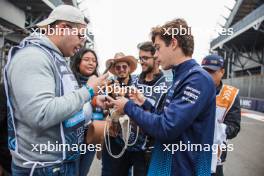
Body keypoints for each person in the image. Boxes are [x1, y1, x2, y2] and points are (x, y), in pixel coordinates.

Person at [4, 5, 108, 176]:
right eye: (80, 35)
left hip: (59, 163)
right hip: (44, 167)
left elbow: (64, 105)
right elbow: (42, 114)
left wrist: (92, 101)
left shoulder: (55, 58)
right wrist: (88, 90)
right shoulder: (33, 57)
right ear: (63, 29)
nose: (82, 42)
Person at [108, 18, 216, 176]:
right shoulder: (181, 75)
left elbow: (166, 128)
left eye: (157, 48)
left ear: (173, 43)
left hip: (182, 168)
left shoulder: (197, 79)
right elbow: (165, 117)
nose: (156, 55)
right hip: (167, 165)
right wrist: (144, 103)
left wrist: (128, 106)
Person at [102, 52, 148, 176]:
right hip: (116, 139)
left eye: (124, 66)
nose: (121, 70)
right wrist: (107, 109)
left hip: (136, 141)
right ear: (114, 70)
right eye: (118, 67)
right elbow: (104, 109)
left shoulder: (139, 83)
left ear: (129, 68)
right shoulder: (109, 85)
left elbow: (144, 105)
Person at [201, 54, 241, 176]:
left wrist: (217, 130)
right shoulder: (194, 88)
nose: (207, 75)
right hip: (191, 154)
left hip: (216, 158)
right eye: (205, 71)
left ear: (222, 71)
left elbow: (234, 127)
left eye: (212, 71)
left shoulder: (231, 94)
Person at [135, 41, 172, 171]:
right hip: (132, 145)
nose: (141, 61)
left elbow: (165, 119)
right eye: (140, 58)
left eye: (145, 58)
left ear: (156, 58)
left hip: (153, 148)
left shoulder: (168, 85)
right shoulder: (134, 81)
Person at [71, 48, 105, 176]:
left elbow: (102, 112)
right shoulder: (70, 82)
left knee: (83, 172)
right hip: (72, 137)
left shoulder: (101, 84)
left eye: (94, 61)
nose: (91, 63)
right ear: (78, 62)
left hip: (91, 136)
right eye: (86, 60)